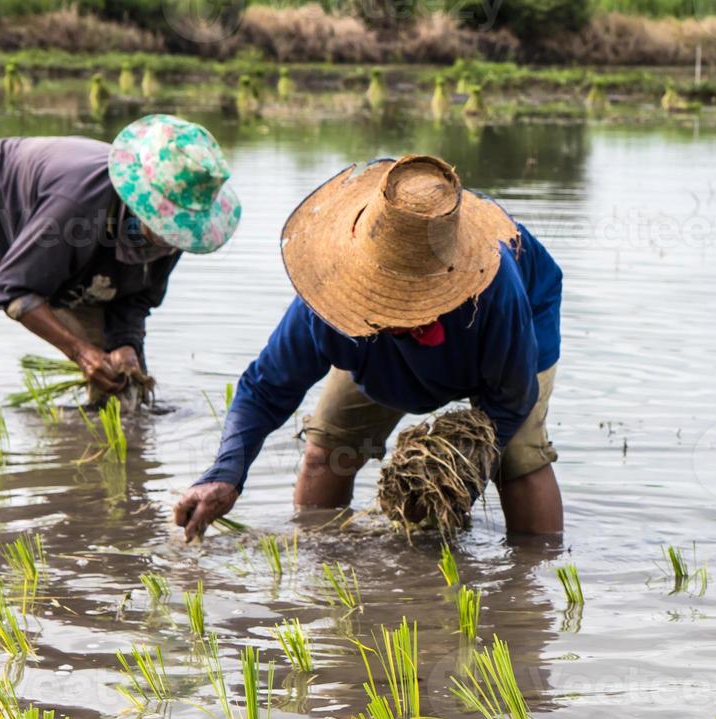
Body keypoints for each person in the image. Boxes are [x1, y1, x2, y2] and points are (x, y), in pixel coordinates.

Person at [173, 154, 563, 540]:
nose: (399, 309)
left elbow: (511, 398)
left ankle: (531, 583)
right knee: (328, 449)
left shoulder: (494, 284)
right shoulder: (330, 298)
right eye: (385, 297)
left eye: (412, 299)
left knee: (518, 459)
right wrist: (224, 475)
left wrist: (455, 473)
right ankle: (323, 557)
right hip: (374, 347)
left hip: (496, 336)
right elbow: (265, 389)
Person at [0, 114, 240, 401]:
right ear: (141, 205)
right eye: (168, 227)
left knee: (121, 384)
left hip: (72, 263)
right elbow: (12, 288)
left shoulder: (174, 237)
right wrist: (79, 352)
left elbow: (135, 298)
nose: (174, 241)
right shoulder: (77, 204)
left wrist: (126, 345)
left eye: (182, 232)